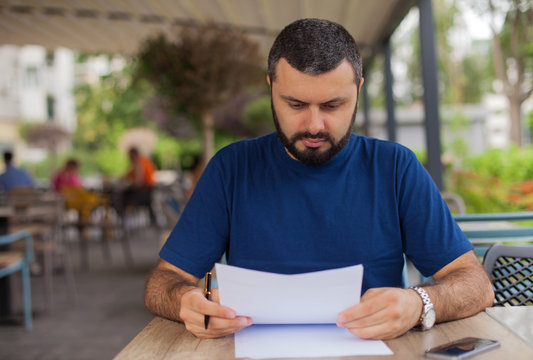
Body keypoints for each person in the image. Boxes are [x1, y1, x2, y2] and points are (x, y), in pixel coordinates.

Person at [144, 18, 494, 340]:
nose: (313, 125)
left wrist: (419, 303)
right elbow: (163, 282)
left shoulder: (395, 168)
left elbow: (475, 284)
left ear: (358, 88)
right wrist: (186, 301)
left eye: (332, 105)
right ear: (271, 87)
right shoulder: (231, 169)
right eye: (295, 104)